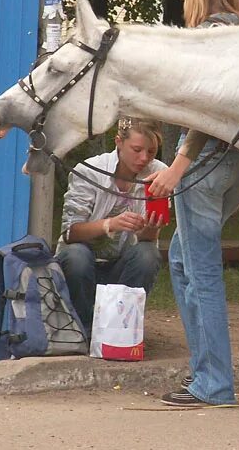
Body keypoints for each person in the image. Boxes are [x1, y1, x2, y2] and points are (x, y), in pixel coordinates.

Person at [145, 0, 239, 407]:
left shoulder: (210, 35)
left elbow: (205, 112)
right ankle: (206, 373)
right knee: (181, 261)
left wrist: (177, 166)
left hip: (204, 168)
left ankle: (214, 384)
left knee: (202, 274)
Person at [57, 116, 168, 336]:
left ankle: (119, 330)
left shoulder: (160, 173)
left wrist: (151, 229)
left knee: (148, 254)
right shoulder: (89, 170)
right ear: (118, 142)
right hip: (83, 263)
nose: (144, 158)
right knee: (77, 255)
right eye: (137, 149)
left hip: (122, 264)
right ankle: (85, 330)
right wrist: (109, 224)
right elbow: (70, 233)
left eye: (152, 152)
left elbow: (147, 242)